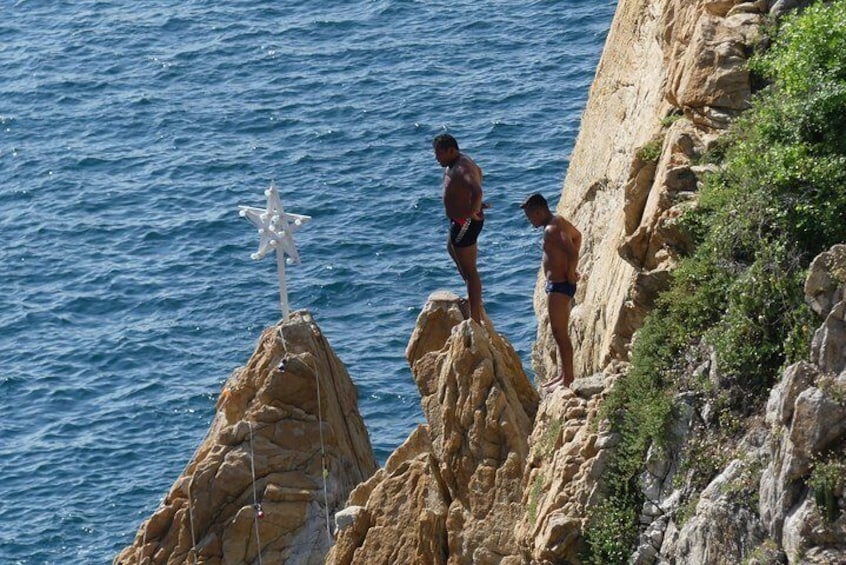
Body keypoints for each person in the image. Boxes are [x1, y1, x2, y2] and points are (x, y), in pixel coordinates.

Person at [521, 193, 582, 390]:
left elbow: (572, 251)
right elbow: (577, 236)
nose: (530, 220)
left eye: (530, 216)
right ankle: (563, 375)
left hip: (559, 286)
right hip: (558, 284)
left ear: (539, 212)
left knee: (560, 333)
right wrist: (570, 269)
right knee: (558, 333)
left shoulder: (552, 229)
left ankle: (568, 379)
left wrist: (571, 273)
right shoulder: (559, 221)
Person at [433, 133, 489, 323]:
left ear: (451, 150)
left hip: (465, 221)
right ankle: (473, 295)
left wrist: (472, 210)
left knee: (470, 270)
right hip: (459, 221)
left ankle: (475, 316)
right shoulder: (460, 162)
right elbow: (479, 171)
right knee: (451, 247)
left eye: (439, 154)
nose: (436, 158)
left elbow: (477, 189)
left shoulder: (462, 168)